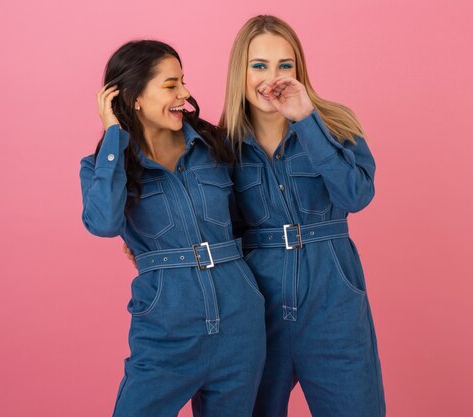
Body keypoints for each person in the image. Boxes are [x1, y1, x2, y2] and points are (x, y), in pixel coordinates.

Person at [79, 40, 266, 417]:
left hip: (239, 328)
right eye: (170, 85)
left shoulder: (214, 147)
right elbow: (103, 223)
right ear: (132, 97)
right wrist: (114, 136)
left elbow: (248, 224)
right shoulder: (102, 166)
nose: (185, 94)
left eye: (183, 82)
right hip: (166, 333)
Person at [220, 15, 386, 417]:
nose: (271, 77)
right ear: (240, 72)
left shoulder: (335, 124)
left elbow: (355, 195)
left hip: (334, 302)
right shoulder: (219, 147)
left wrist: (306, 121)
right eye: (258, 65)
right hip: (256, 309)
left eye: (284, 65)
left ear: (299, 70)